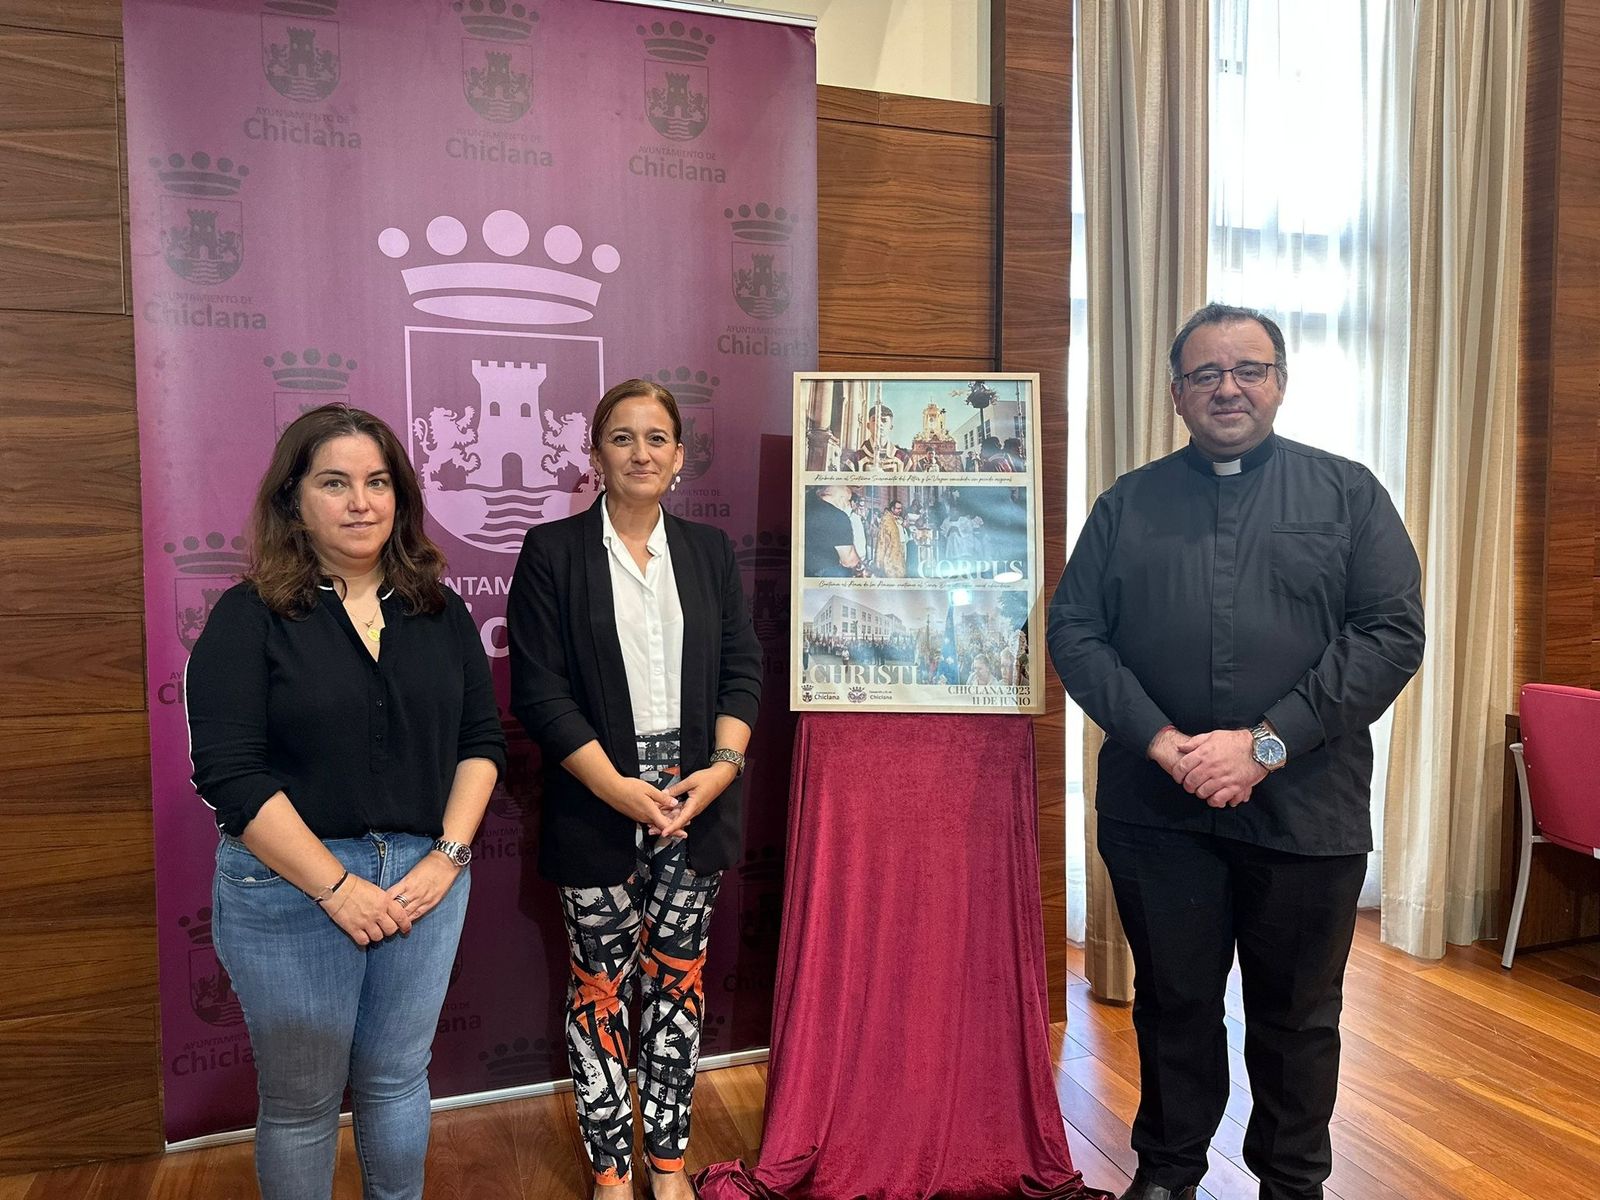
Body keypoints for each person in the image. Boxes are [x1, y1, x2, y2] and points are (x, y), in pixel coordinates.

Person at [1047, 303, 1424, 1200]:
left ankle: (1292, 1183)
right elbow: (1075, 631)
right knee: (1174, 1005)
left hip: (1308, 808)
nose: (1228, 387)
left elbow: (1390, 633)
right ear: (1176, 394)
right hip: (1157, 809)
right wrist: (1165, 743)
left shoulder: (1348, 493)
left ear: (1281, 383)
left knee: (1297, 1018)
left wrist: (1264, 744)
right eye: (1206, 373)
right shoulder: (1127, 503)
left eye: (1249, 369)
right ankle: (1169, 1173)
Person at [186, 404, 506, 1200]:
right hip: (290, 888)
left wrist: (450, 857)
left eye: (377, 482)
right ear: (294, 499)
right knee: (302, 1103)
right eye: (335, 483)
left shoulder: (440, 611)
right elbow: (230, 775)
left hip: (425, 883)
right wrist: (334, 885)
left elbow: (481, 745)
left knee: (399, 1081)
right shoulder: (247, 616)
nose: (361, 502)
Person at [507, 378, 763, 1200]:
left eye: (657, 438)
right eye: (623, 437)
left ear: (680, 456)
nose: (641, 452)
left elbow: (741, 672)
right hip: (595, 802)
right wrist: (617, 788)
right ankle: (613, 1175)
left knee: (678, 991)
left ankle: (668, 1167)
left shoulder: (709, 554)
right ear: (595, 455)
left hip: (697, 803)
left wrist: (721, 771)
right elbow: (539, 693)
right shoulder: (552, 553)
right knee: (601, 993)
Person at [803, 484, 861, 577]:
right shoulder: (838, 516)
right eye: (848, 500)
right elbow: (849, 561)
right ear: (842, 498)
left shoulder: (806, 504)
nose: (849, 505)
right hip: (822, 576)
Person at [843, 402, 911, 471]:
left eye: (884, 420)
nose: (879, 424)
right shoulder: (854, 460)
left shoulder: (903, 460)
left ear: (891, 427)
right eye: (874, 420)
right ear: (868, 426)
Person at [875, 498, 909, 577]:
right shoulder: (887, 520)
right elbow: (884, 538)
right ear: (892, 508)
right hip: (892, 548)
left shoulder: (899, 519)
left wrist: (903, 527)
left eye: (901, 508)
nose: (900, 510)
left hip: (902, 545)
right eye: (898, 508)